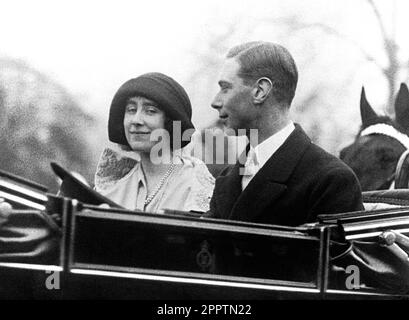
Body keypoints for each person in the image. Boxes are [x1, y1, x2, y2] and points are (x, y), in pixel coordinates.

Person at [207, 41, 364, 226]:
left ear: (260, 91)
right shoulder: (229, 177)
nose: (215, 101)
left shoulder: (330, 181)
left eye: (226, 88)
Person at [94, 72, 214, 213]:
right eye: (131, 110)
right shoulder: (112, 187)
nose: (136, 120)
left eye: (150, 111)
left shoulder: (195, 185)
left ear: (170, 122)